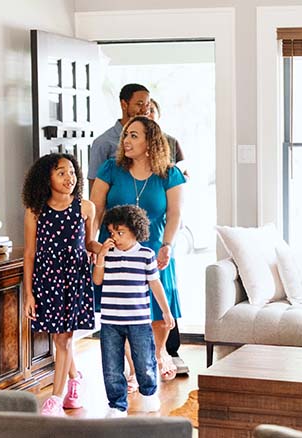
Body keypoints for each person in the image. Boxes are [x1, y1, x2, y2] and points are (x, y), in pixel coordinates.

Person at [91, 116, 185, 382]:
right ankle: (135, 368)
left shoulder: (169, 173)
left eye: (134, 135)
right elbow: (95, 209)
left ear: (150, 142)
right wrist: (92, 242)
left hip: (154, 247)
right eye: (126, 135)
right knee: (122, 310)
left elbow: (175, 214)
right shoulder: (110, 168)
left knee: (158, 308)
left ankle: (153, 358)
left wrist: (168, 245)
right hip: (115, 248)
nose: (127, 140)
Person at [22, 153, 96, 416]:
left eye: (72, 172)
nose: (70, 178)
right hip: (47, 278)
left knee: (64, 338)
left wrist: (103, 248)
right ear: (47, 178)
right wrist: (29, 293)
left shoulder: (86, 207)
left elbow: (89, 244)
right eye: (61, 173)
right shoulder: (35, 210)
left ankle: (56, 397)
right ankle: (76, 380)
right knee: (59, 337)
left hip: (74, 278)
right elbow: (29, 253)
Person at [93, 205, 175, 417]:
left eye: (120, 233)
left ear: (135, 231)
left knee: (144, 360)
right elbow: (97, 280)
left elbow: (156, 286)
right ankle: (116, 405)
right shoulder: (108, 255)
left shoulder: (146, 255)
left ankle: (149, 396)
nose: (116, 238)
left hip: (138, 321)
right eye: (112, 233)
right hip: (110, 322)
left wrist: (166, 312)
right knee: (111, 366)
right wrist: (101, 256)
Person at [147, 97, 189, 376]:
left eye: (151, 109)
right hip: (130, 234)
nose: (147, 113)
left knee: (165, 290)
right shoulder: (116, 149)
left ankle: (167, 352)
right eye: (142, 107)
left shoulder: (171, 143)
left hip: (163, 224)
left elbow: (183, 173)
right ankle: (144, 359)